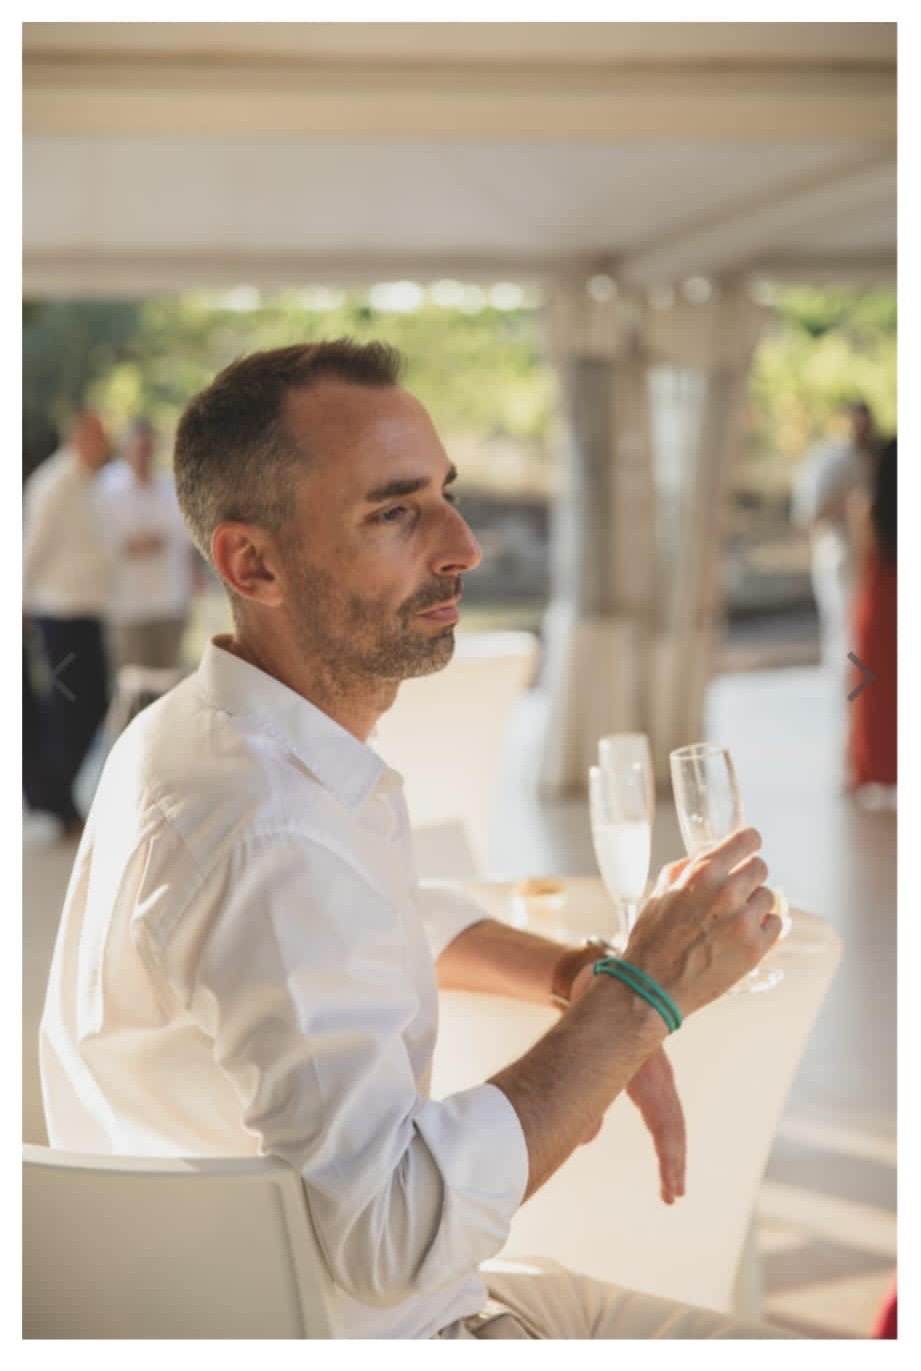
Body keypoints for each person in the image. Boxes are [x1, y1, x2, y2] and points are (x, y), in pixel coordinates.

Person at [40, 342, 788, 1340]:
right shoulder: (269, 831)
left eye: (446, 494)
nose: (463, 546)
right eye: (395, 511)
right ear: (252, 563)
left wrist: (576, 972)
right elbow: (390, 1235)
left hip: (224, 1309)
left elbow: (365, 918)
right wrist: (636, 1000)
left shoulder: (203, 733)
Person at [22, 408, 112, 838]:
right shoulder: (55, 484)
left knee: (90, 705)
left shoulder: (89, 484)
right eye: (98, 434)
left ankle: (58, 799)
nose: (105, 442)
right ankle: (52, 801)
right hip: (60, 616)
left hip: (87, 613)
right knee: (70, 707)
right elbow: (34, 547)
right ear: (78, 437)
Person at [97, 416, 202, 673]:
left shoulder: (170, 487)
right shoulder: (107, 486)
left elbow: (185, 540)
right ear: (126, 448)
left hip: (169, 598)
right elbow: (102, 539)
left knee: (168, 675)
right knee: (132, 679)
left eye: (149, 448)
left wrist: (194, 578)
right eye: (139, 447)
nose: (144, 454)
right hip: (127, 603)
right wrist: (135, 545)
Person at [792, 400, 880, 688]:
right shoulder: (830, 462)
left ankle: (861, 691)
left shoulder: (868, 458)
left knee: (861, 628)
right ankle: (851, 692)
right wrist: (847, 505)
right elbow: (808, 516)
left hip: (866, 559)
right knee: (844, 628)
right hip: (839, 558)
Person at [846, 435, 896, 803]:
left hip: (878, 604)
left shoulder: (868, 509)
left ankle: (870, 767)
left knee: (872, 689)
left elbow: (862, 553)